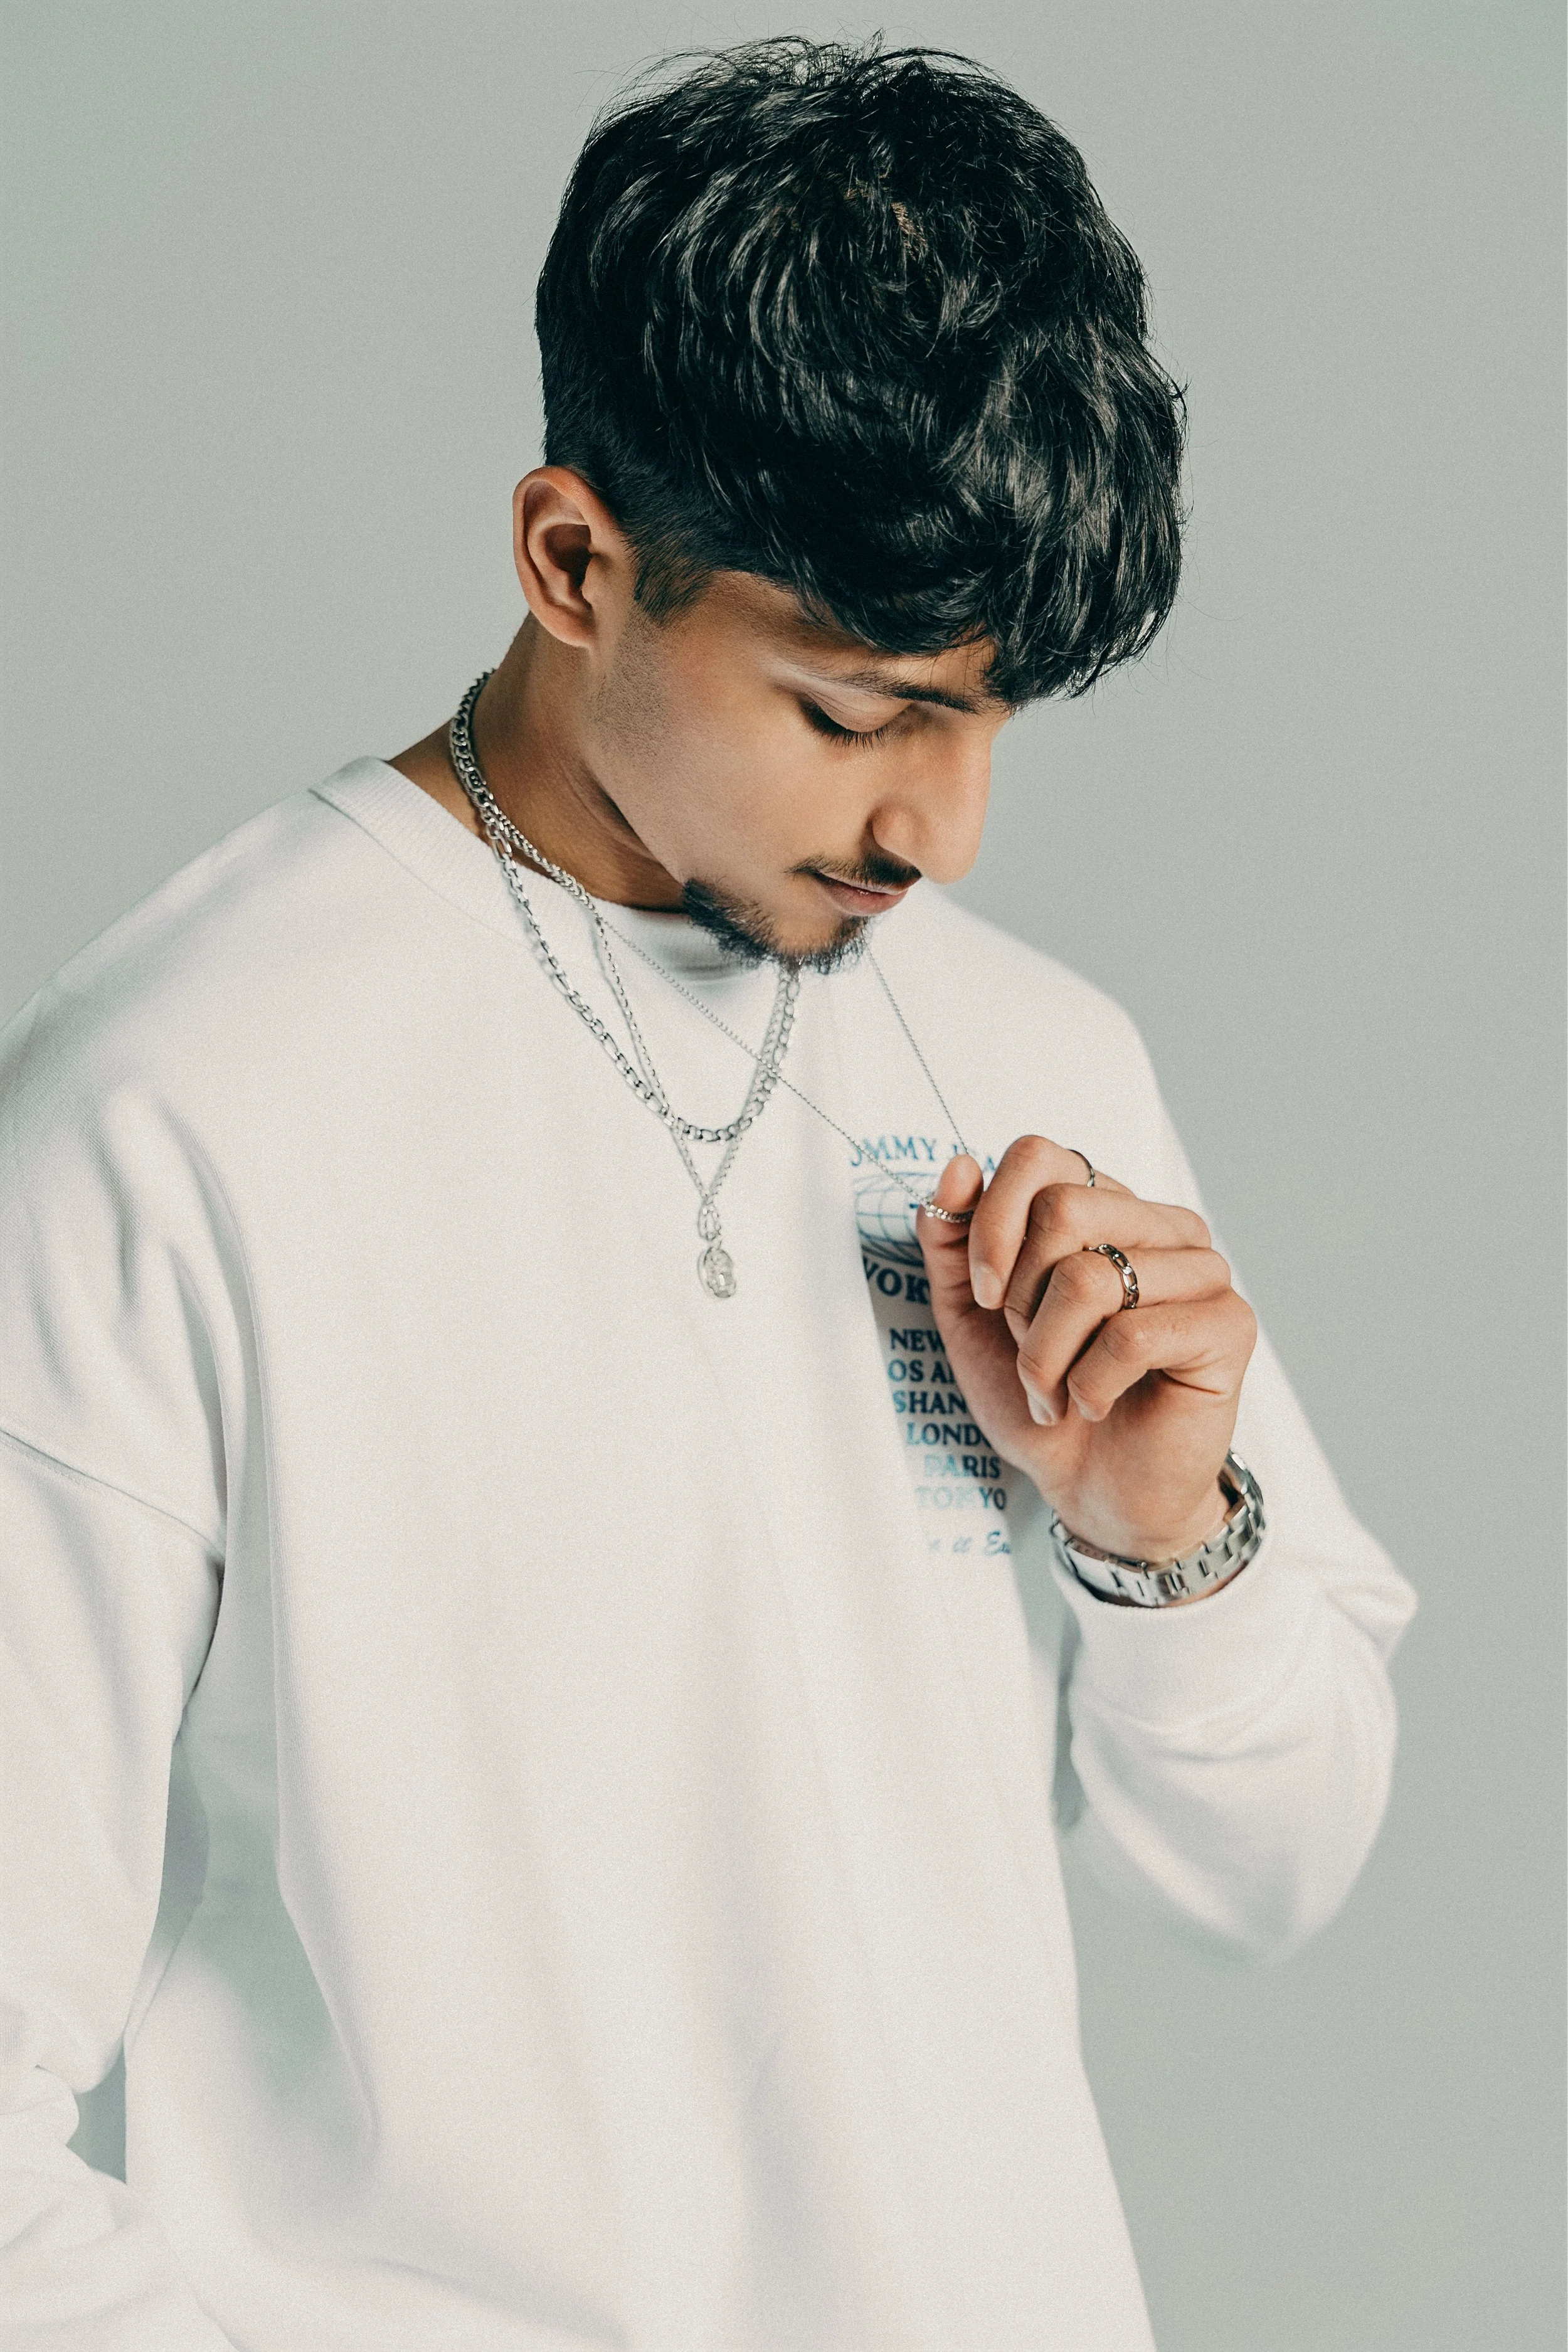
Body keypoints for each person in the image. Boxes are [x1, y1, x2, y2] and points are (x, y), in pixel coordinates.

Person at [0, 37, 1416, 2351]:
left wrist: (1171, 1540)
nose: (937, 829)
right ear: (574, 560)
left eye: (985, 717)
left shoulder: (1036, 1052)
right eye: (856, 715)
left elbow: (1270, 1872)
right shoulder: (171, 1112)